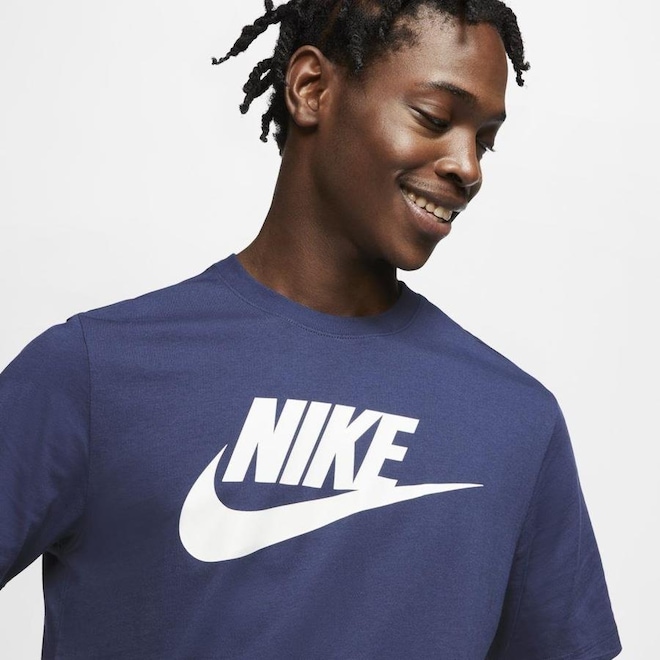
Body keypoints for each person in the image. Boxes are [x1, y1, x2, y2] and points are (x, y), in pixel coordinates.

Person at [0, 0, 622, 658]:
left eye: (485, 140)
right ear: (310, 88)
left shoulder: (516, 422)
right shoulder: (95, 374)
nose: (468, 167)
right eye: (435, 118)